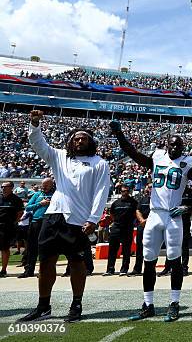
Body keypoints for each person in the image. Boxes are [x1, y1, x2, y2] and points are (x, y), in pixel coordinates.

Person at [110, 120, 192, 322]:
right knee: (148, 260)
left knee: (175, 261)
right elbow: (133, 153)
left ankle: (174, 303)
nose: (174, 148)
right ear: (166, 144)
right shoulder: (157, 157)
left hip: (173, 216)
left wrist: (188, 206)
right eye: (171, 144)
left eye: (178, 145)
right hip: (155, 214)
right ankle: (148, 304)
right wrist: (119, 134)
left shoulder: (188, 163)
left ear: (183, 148)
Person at [19, 110, 110, 323]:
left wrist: (94, 219)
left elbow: (101, 192)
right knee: (45, 262)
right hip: (53, 216)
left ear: (90, 142)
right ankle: (43, 306)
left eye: (84, 138)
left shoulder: (99, 163)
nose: (79, 141)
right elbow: (38, 144)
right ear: (71, 141)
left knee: (77, 262)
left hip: (78, 220)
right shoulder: (59, 156)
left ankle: (76, 304)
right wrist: (34, 124)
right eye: (76, 138)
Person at [159, 183, 192, 276]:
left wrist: (186, 210)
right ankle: (168, 267)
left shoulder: (191, 192)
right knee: (170, 243)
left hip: (185, 221)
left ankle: (184, 267)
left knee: (184, 245)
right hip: (172, 221)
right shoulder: (173, 191)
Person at [19, 178, 55, 278]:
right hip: (35, 222)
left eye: (47, 185)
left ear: (52, 185)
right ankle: (29, 270)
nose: (44, 187)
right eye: (43, 185)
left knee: (46, 248)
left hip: (49, 222)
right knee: (31, 247)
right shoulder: (37, 194)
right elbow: (28, 207)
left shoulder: (56, 194)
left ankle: (43, 270)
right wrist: (40, 204)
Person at [103, 185, 138, 276]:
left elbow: (136, 214)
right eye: (123, 191)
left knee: (126, 251)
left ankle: (124, 269)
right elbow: (112, 215)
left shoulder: (134, 203)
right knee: (112, 250)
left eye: (126, 191)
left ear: (129, 191)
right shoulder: (116, 203)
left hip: (127, 229)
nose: (125, 193)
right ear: (120, 192)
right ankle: (110, 269)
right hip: (116, 228)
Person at [0, 181, 25, 277]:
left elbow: (20, 213)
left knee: (4, 248)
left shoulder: (16, 199)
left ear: (11, 188)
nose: (3, 188)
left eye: (5, 187)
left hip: (7, 227)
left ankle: (3, 270)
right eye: (2, 186)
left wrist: (14, 222)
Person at [130, 184, 151, 276]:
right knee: (139, 248)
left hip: (153, 226)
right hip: (142, 226)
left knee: (151, 248)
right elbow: (138, 210)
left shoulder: (158, 200)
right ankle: (137, 269)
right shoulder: (143, 199)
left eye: (151, 187)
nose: (149, 188)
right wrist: (142, 220)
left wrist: (147, 220)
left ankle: (149, 269)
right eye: (148, 187)